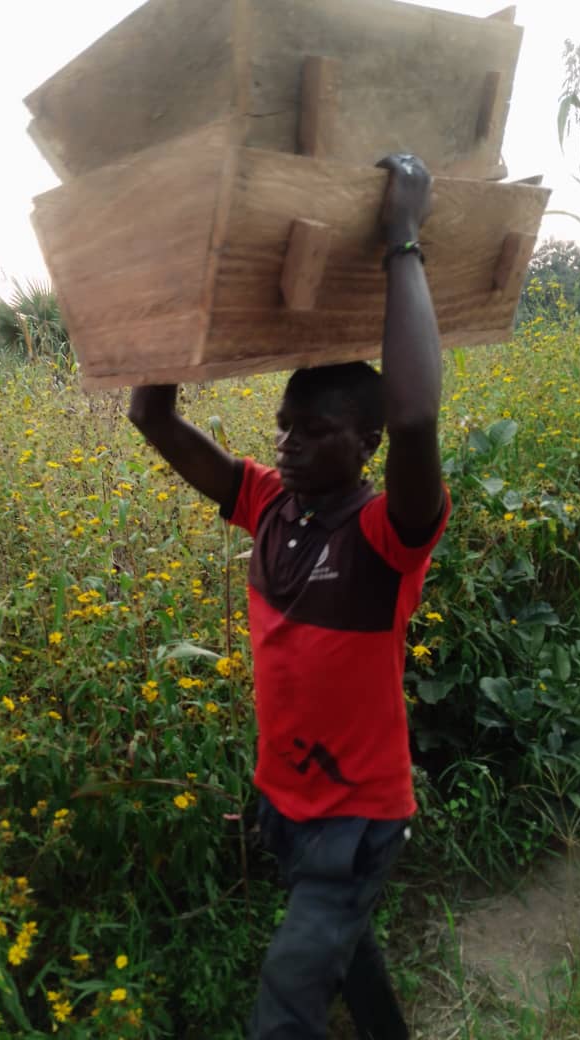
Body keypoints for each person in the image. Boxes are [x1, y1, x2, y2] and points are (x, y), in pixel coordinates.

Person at [129, 153, 450, 1040]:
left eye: (316, 431)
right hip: (284, 801)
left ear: (367, 444)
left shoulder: (390, 535)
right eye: (285, 426)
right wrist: (176, 277)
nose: (290, 444)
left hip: (357, 816)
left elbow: (419, 415)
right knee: (345, 955)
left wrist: (402, 237)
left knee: (288, 996)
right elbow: (151, 418)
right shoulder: (269, 504)